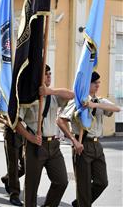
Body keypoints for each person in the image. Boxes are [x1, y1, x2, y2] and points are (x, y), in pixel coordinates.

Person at [14, 64, 80, 207]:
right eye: (46, 74)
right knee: (31, 187)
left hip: (54, 146)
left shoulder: (53, 95)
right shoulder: (29, 97)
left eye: (50, 73)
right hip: (35, 146)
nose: (49, 76)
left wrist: (50, 91)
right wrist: (30, 137)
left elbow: (72, 95)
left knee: (61, 181)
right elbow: (16, 123)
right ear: (38, 77)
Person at [57, 71, 121, 207]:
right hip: (82, 144)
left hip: (97, 146)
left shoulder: (100, 101)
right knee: (83, 185)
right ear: (87, 84)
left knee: (102, 182)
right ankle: (83, 203)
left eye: (98, 83)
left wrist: (95, 105)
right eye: (94, 83)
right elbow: (60, 121)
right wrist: (74, 142)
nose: (98, 85)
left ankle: (80, 203)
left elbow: (117, 109)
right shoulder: (77, 102)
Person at [0, 113, 25, 206]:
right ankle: (14, 195)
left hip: (25, 134)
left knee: (25, 166)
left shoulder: (27, 98)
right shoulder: (7, 98)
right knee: (13, 166)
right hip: (12, 134)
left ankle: (7, 178)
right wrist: (6, 122)